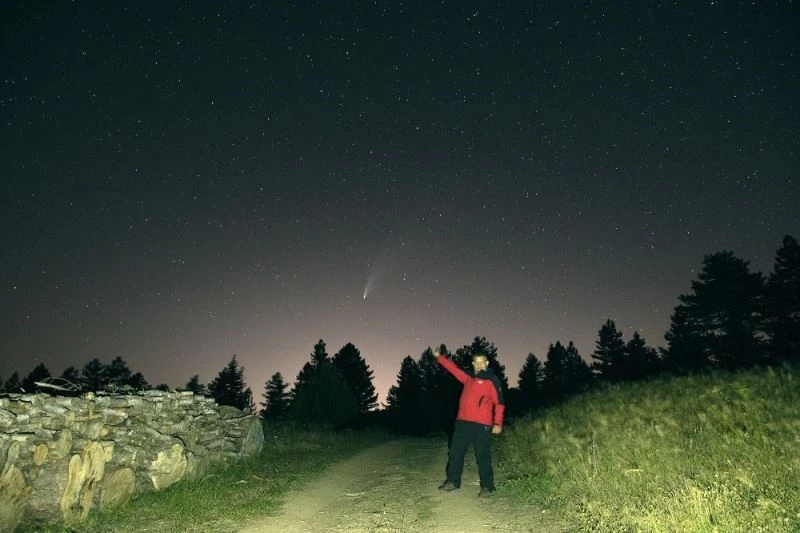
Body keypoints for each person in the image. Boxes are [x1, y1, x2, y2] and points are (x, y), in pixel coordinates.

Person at [433, 348, 505, 497]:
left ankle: (488, 487)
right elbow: (454, 369)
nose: (479, 366)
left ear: (487, 363)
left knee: (482, 456)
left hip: (482, 425)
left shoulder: (492, 380)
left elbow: (500, 403)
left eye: (482, 363)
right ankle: (453, 482)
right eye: (476, 363)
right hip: (463, 423)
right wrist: (440, 358)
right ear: (473, 364)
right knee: (455, 453)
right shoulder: (468, 378)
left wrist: (498, 423)